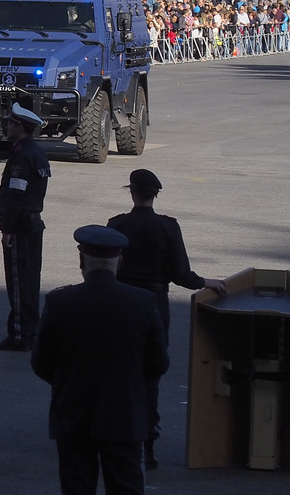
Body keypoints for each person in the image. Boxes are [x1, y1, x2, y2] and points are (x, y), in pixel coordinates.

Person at [31, 225, 169, 495]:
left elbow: (41, 362)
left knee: (76, 486)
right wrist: (129, 384)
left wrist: (68, 382)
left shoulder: (60, 302)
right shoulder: (142, 302)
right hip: (124, 414)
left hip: (72, 413)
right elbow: (159, 362)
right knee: (126, 486)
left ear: (81, 260)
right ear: (120, 261)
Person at [106, 168, 227, 470]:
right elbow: (181, 275)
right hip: (154, 306)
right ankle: (147, 447)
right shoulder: (168, 228)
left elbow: (106, 268)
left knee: (119, 374)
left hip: (121, 304)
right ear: (155, 195)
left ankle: (115, 437)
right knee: (150, 377)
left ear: (131, 192)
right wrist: (207, 282)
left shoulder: (116, 224)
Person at [0, 102, 51, 351]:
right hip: (33, 224)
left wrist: (7, 228)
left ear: (20, 126)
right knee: (30, 282)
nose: (7, 127)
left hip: (20, 226)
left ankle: (19, 335)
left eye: (10, 123)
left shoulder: (21, 155)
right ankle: (32, 331)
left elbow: (16, 195)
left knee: (18, 283)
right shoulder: (36, 152)